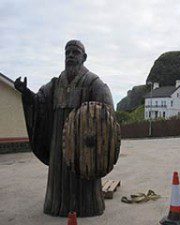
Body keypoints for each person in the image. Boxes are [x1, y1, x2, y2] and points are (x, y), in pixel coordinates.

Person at [14, 40, 114, 217]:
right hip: (59, 145)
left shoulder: (93, 83)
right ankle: (56, 205)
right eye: (67, 52)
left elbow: (106, 117)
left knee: (82, 179)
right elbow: (40, 102)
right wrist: (27, 94)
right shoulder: (55, 84)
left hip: (83, 147)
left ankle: (87, 206)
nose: (70, 56)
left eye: (75, 52)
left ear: (84, 57)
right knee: (59, 180)